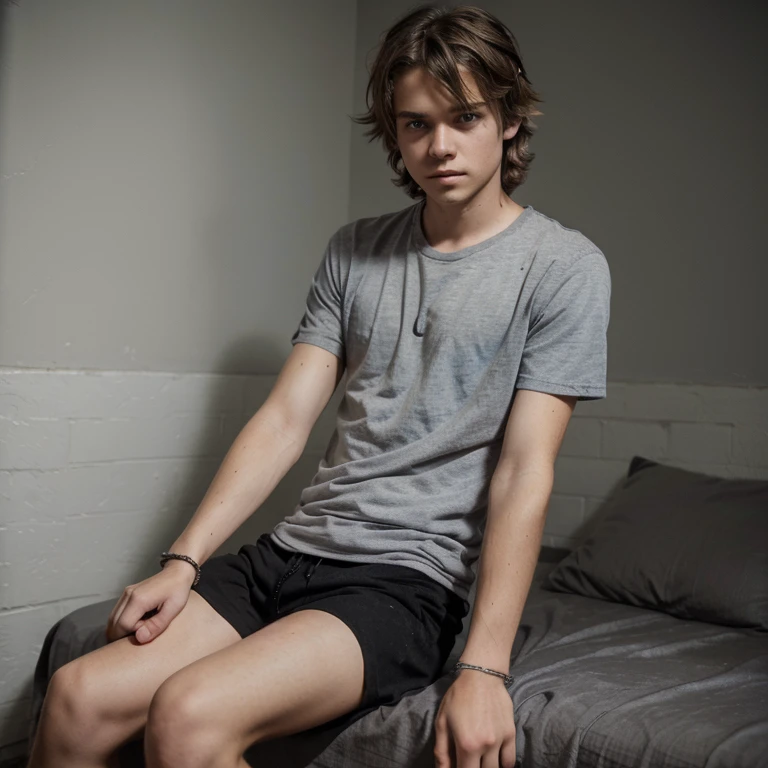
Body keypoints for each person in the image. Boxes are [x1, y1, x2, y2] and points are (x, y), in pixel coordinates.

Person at [27, 5, 610, 768]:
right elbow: (283, 422)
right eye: (415, 124)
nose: (438, 146)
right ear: (394, 134)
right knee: (75, 696)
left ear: (506, 117)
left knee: (188, 714)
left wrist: (483, 667)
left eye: (464, 117)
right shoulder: (355, 250)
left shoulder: (563, 267)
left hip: (405, 581)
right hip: (293, 552)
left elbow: (524, 470)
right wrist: (184, 559)